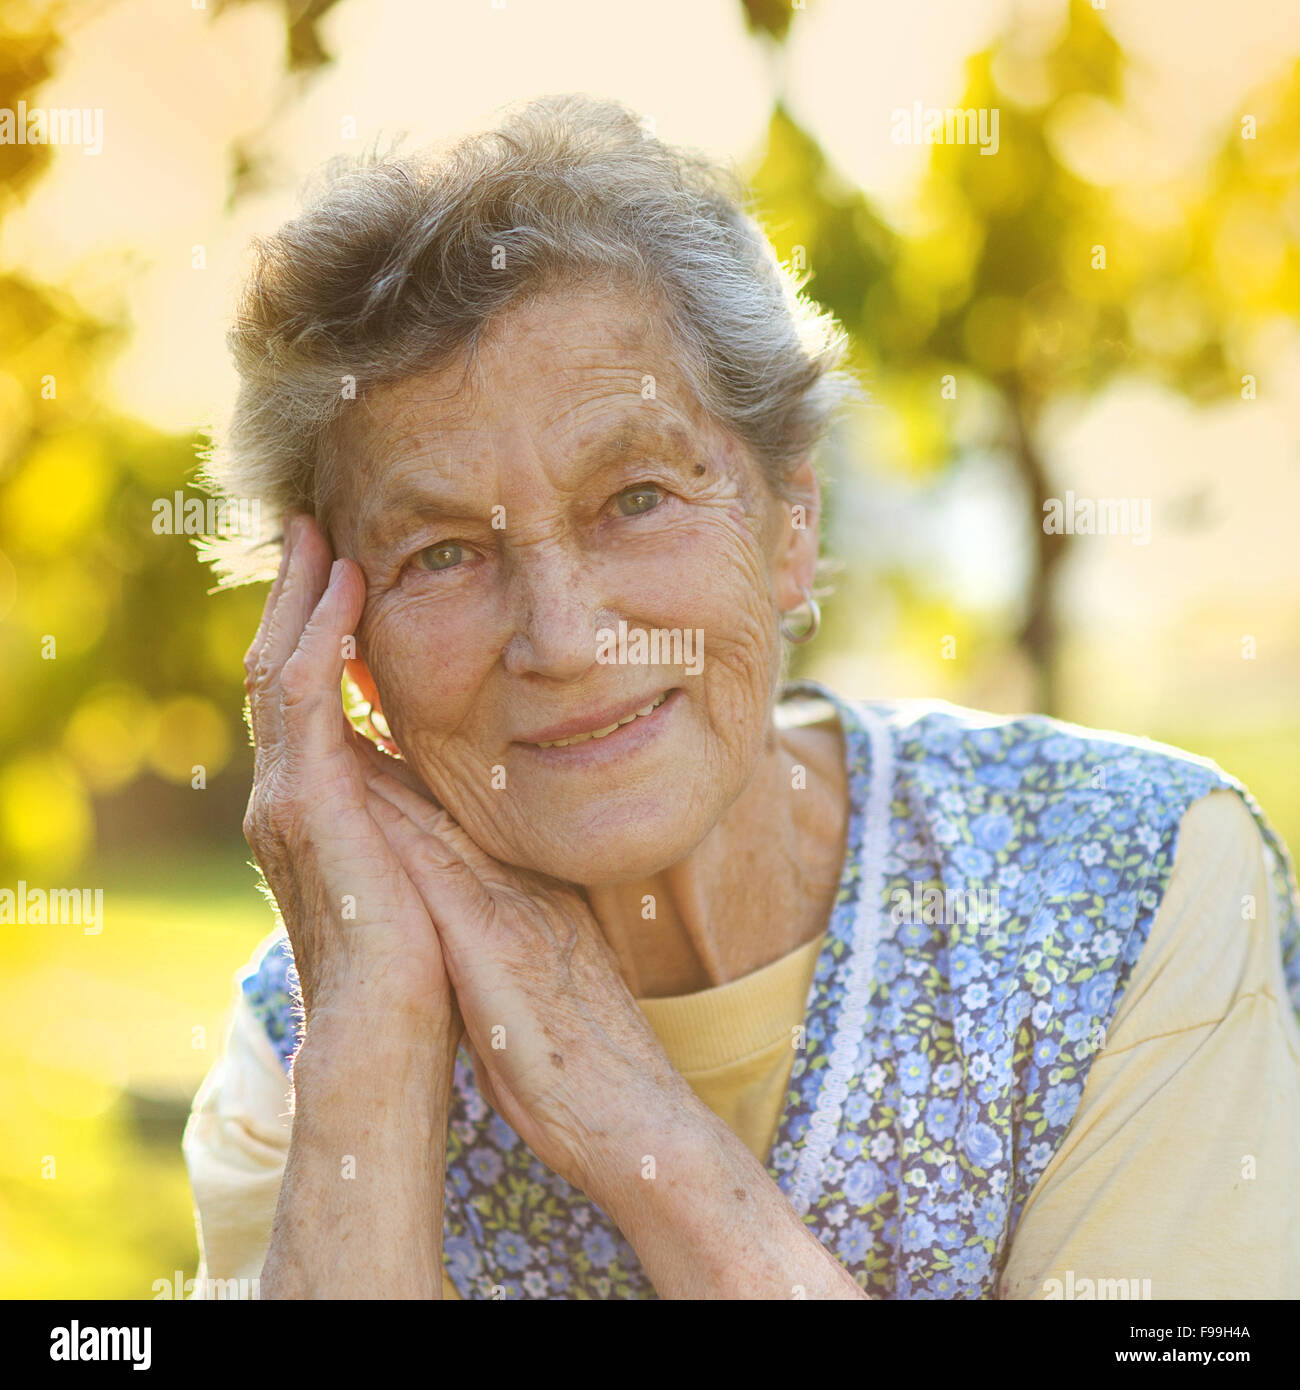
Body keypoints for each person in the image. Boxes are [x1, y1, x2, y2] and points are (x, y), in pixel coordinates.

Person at [182, 93, 1300, 1299]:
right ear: (338, 654)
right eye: (440, 553)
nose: (563, 639)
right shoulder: (303, 1032)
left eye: (638, 498)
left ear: (790, 525)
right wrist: (369, 1060)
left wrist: (633, 1122)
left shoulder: (1136, 877)